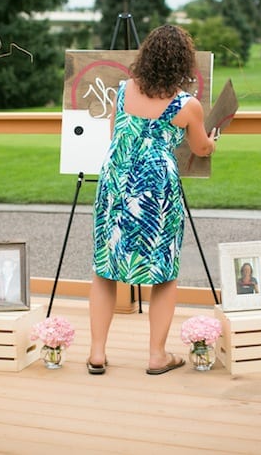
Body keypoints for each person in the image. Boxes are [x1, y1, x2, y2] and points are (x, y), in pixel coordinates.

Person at [88, 24, 217, 376]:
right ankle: (157, 355)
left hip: (116, 181)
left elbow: (115, 135)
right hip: (156, 190)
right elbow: (200, 148)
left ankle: (97, 353)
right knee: (163, 271)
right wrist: (212, 142)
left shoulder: (122, 90)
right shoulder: (187, 105)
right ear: (183, 63)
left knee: (105, 269)